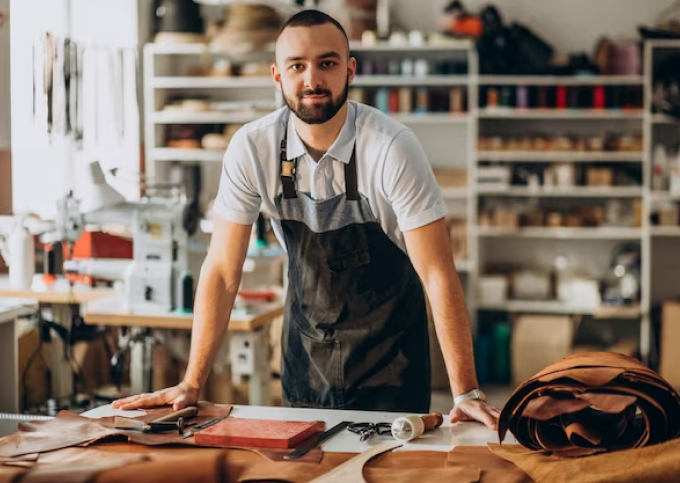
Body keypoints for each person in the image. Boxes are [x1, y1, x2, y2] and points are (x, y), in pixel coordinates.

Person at [113, 9, 500, 429]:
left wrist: (467, 391)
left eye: (327, 63)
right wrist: (192, 381)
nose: (312, 80)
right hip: (306, 359)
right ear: (278, 76)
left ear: (350, 71)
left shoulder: (391, 148)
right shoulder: (252, 148)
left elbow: (438, 272)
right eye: (297, 66)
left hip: (391, 362)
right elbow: (223, 270)